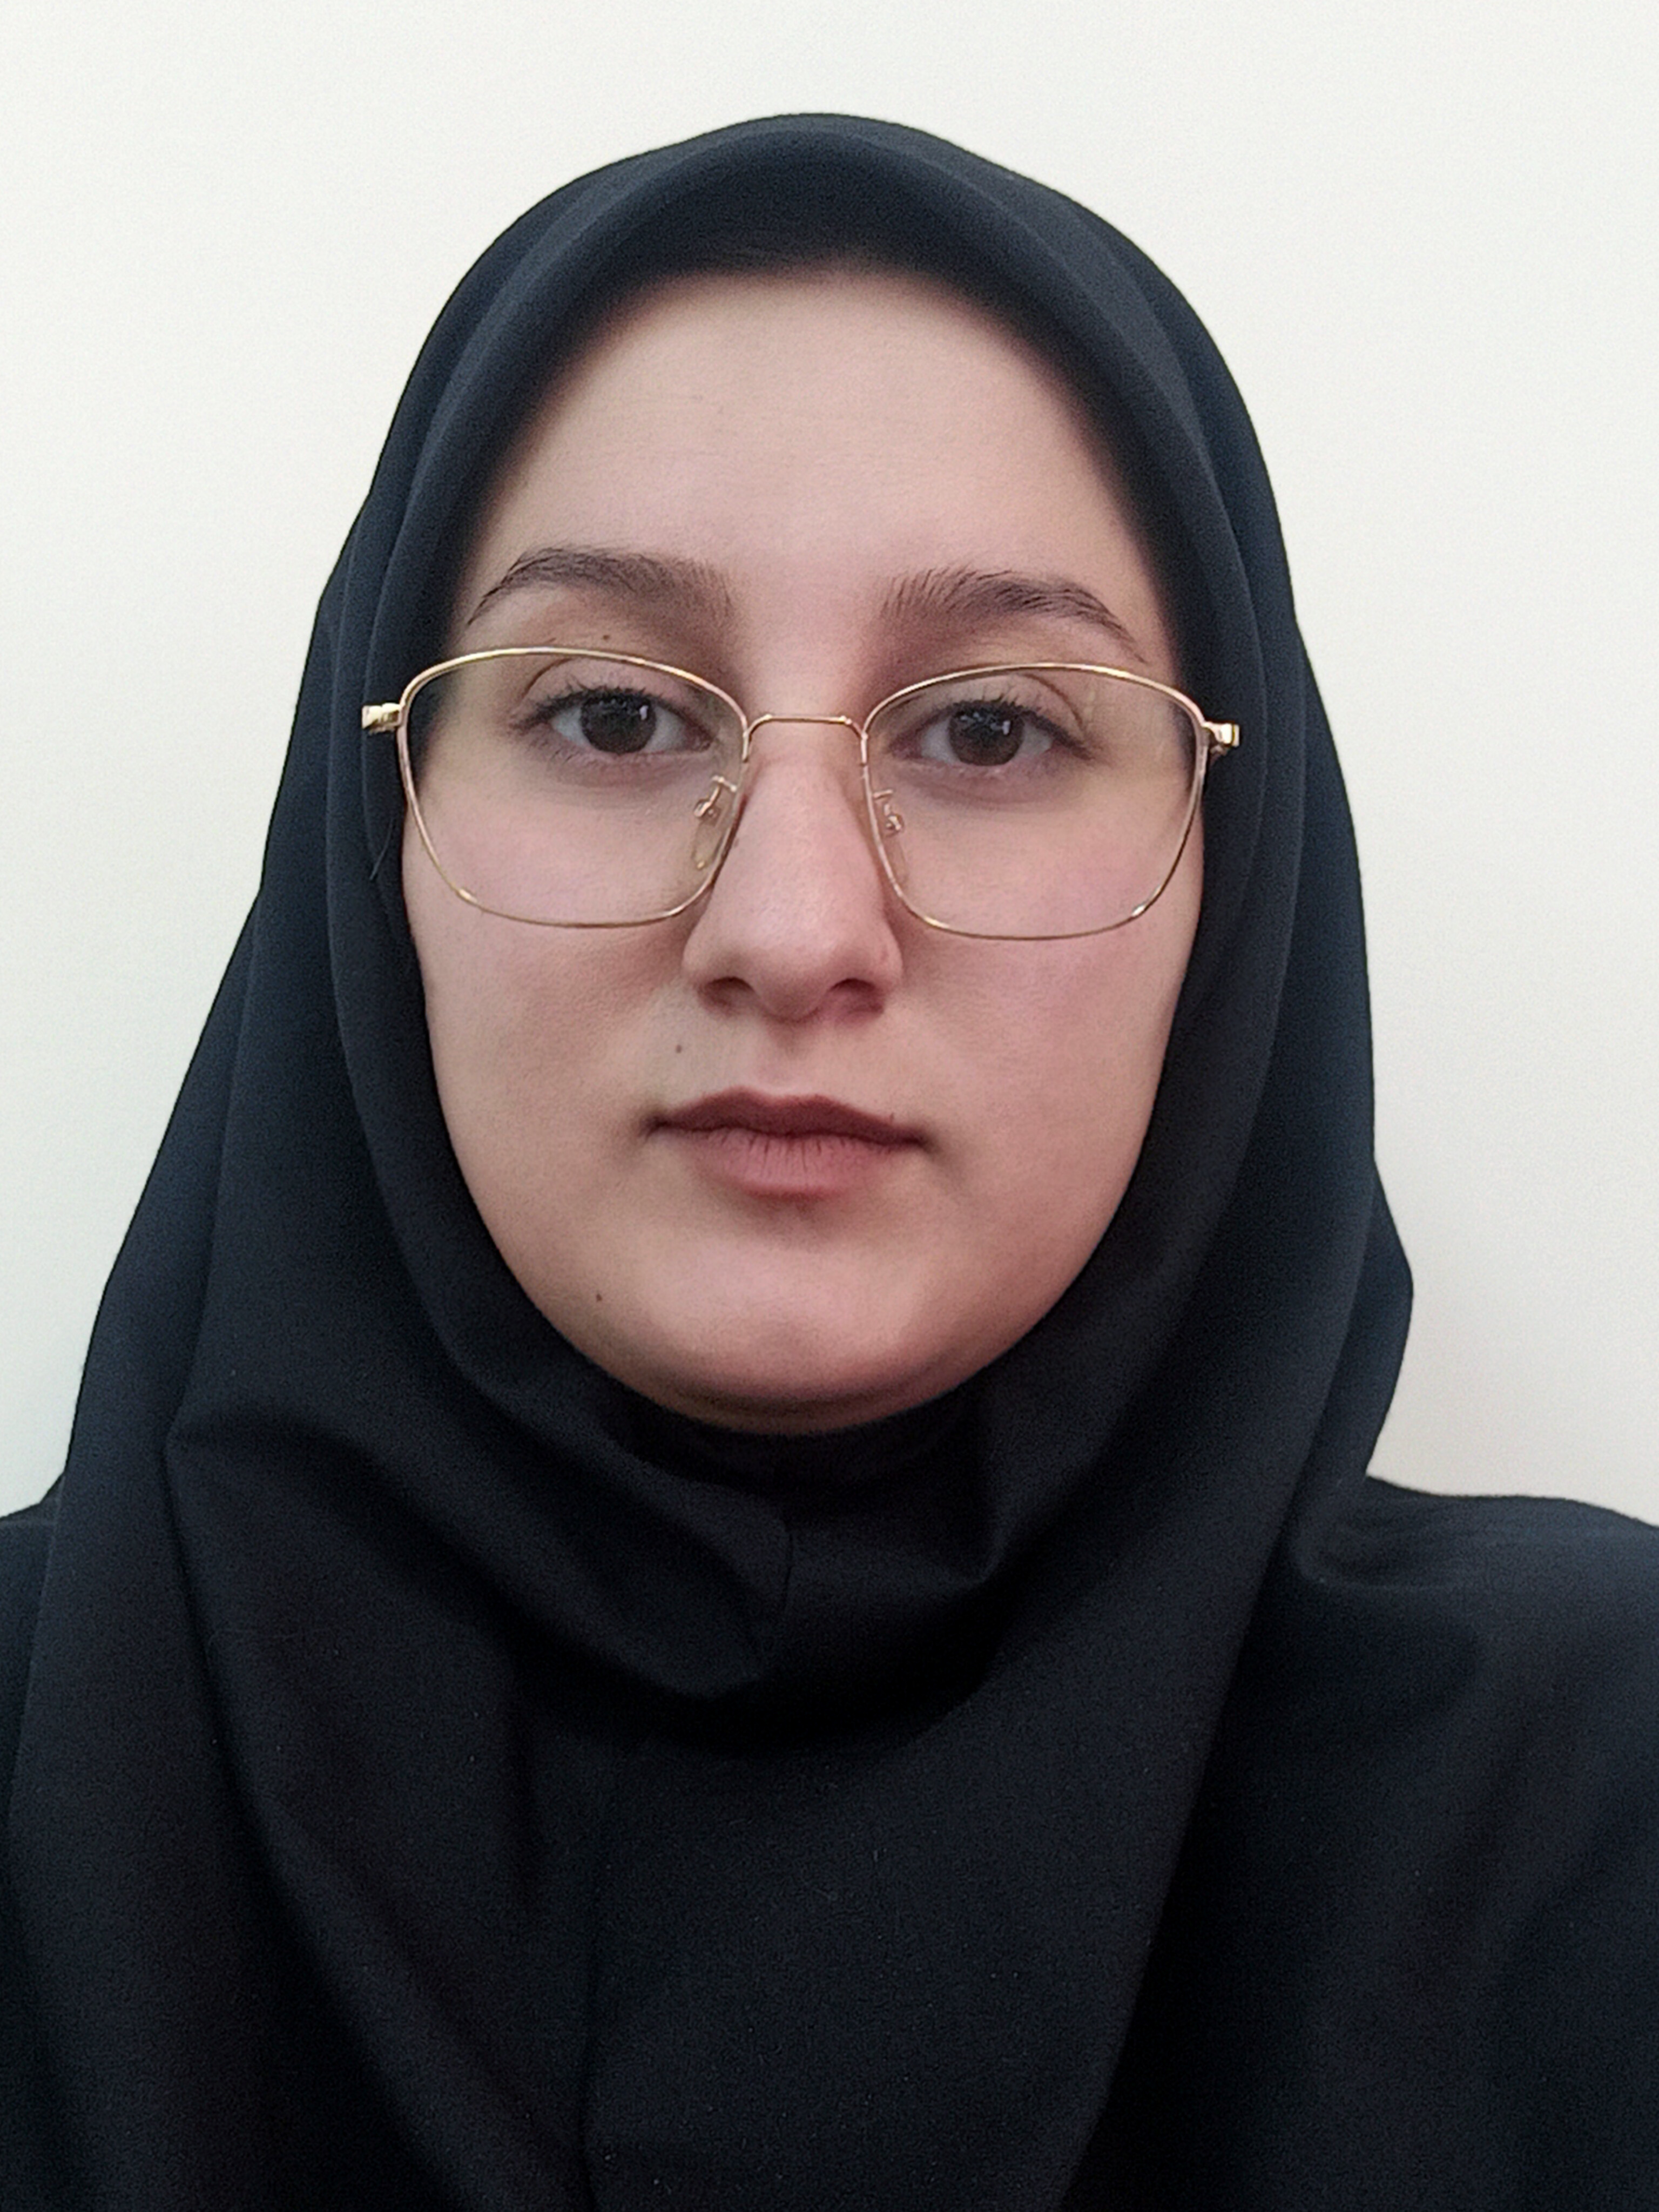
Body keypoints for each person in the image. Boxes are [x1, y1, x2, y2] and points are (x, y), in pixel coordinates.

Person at [1, 114, 1654, 2211]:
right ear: (375, 835)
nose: (790, 931)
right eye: (614, 717)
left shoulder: (1603, 1805)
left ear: (1234, 887)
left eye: (991, 730)